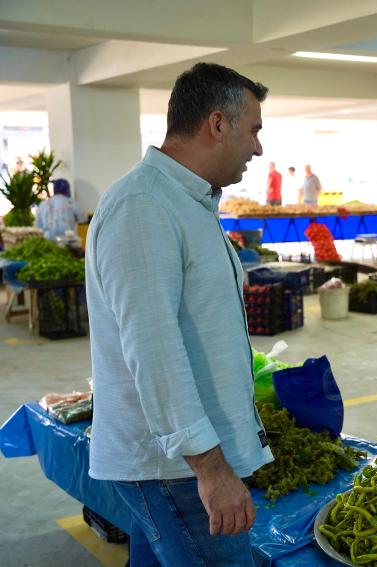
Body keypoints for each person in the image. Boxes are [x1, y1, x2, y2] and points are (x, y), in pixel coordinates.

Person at [85, 63, 273, 566]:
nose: (258, 148)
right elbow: (154, 350)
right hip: (175, 470)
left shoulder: (188, 202)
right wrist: (212, 471)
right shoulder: (143, 206)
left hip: (184, 461)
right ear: (218, 124)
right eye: (253, 130)